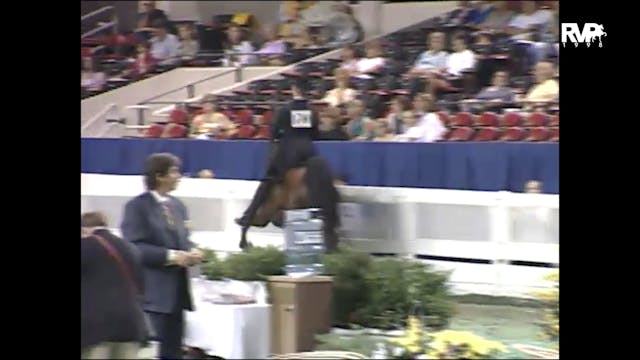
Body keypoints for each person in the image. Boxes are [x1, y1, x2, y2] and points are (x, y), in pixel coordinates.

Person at [121, 153, 204, 360]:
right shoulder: (137, 207)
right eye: (175, 171)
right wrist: (170, 256)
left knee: (173, 351)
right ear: (159, 176)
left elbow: (183, 239)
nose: (179, 176)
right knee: (152, 352)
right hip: (153, 295)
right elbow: (134, 246)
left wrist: (193, 251)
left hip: (177, 294)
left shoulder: (178, 206)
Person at [235, 78, 320, 227]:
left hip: (289, 152)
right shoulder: (312, 111)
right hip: (309, 151)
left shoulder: (285, 109)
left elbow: (274, 132)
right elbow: (315, 133)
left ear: (294, 89)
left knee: (267, 181)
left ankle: (249, 216)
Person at [81, 211, 147, 359]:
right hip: (131, 326)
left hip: (95, 329)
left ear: (83, 230)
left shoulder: (85, 245)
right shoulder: (130, 247)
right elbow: (141, 286)